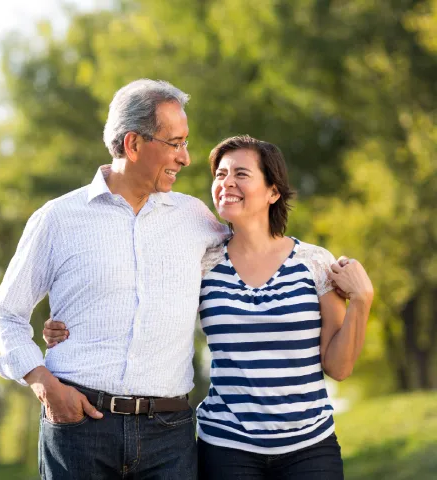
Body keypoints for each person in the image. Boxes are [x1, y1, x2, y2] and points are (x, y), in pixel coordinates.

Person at [44, 135, 373, 479]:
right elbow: (137, 301)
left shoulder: (316, 264)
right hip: (226, 447)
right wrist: (68, 325)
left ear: (273, 192)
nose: (226, 182)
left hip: (309, 447)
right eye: (220, 174)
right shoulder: (203, 261)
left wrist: (362, 301)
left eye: (241, 174)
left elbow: (338, 367)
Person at [0, 79, 230, 480]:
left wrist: (326, 270)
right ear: (133, 144)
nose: (186, 158)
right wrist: (44, 384)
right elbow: (7, 314)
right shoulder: (58, 219)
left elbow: (256, 252)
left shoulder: (196, 218)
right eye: (175, 142)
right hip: (78, 428)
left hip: (169, 434)